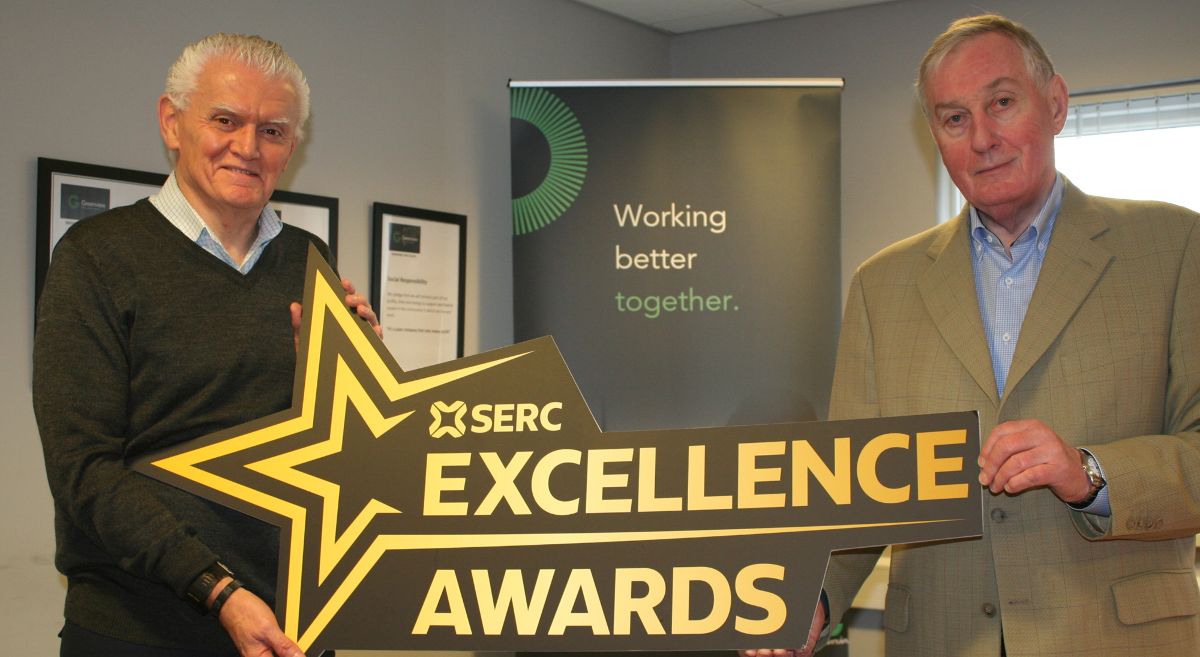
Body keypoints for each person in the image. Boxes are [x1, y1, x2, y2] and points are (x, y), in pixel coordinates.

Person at [747, 13, 1200, 657]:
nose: (982, 138)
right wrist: (808, 600)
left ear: (1055, 104)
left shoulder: (1175, 247)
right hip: (940, 637)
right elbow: (853, 494)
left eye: (1003, 103)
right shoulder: (882, 285)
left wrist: (1091, 473)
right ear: (934, 133)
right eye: (955, 118)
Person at [34, 34, 380, 656]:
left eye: (272, 131)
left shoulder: (310, 259)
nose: (247, 147)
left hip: (295, 623)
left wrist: (358, 380)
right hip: (143, 627)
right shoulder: (96, 256)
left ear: (291, 148)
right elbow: (83, 469)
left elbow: (337, 452)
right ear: (172, 122)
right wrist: (218, 591)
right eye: (225, 120)